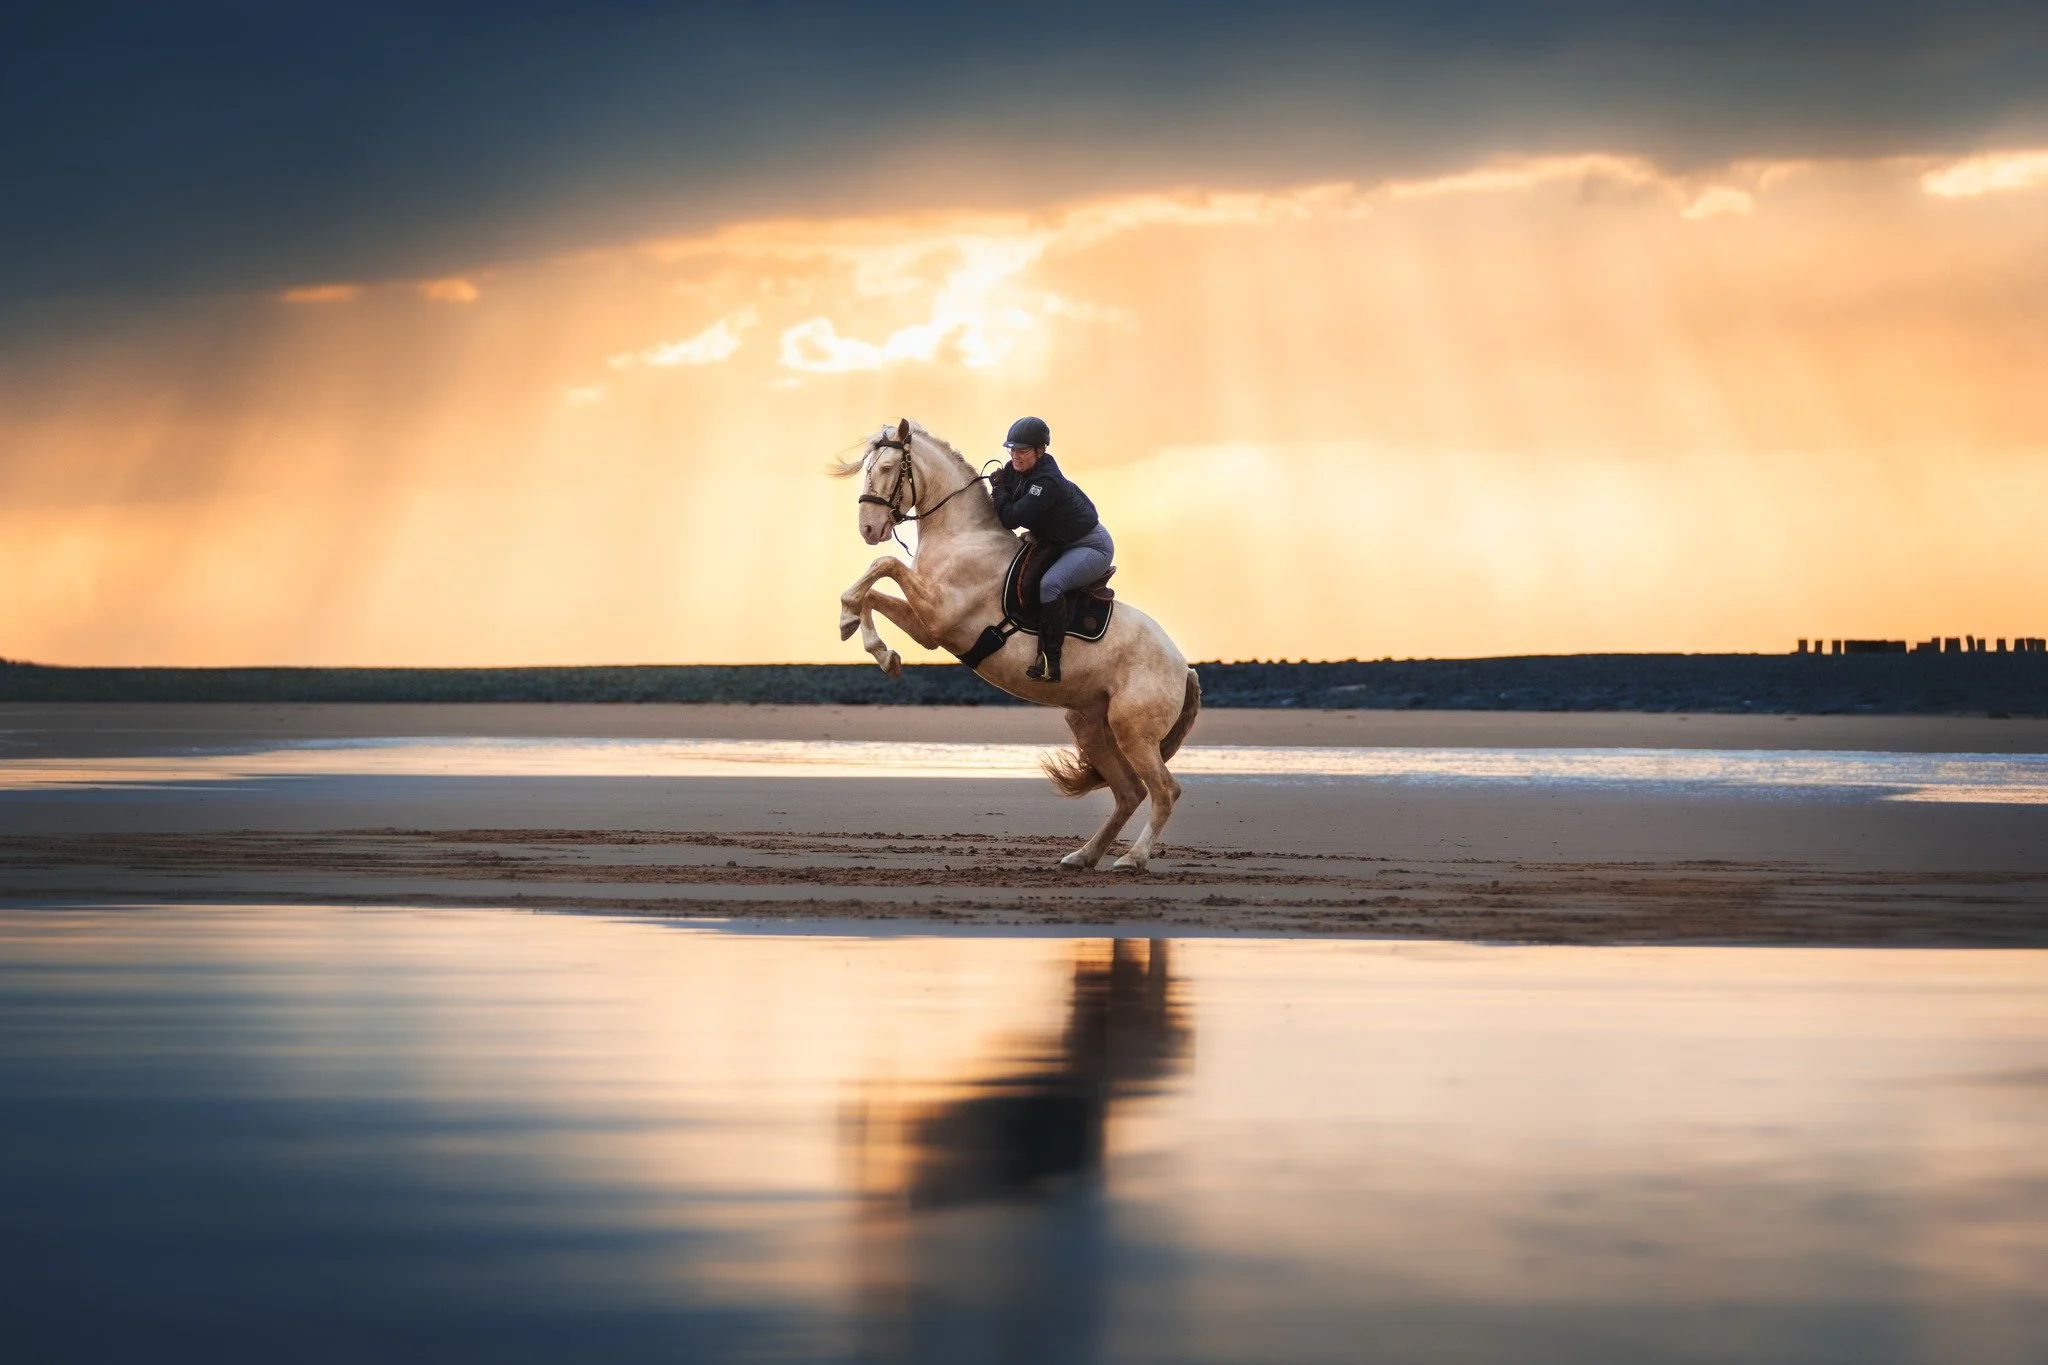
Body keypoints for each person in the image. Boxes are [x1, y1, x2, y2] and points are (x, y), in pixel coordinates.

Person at [988, 416, 1114, 682]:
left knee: (1050, 585)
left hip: (1091, 546)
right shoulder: (1019, 470)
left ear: (1040, 451)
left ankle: (1050, 662)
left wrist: (998, 489)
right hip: (1059, 541)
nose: (1015, 456)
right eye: (1012, 450)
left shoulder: (1046, 482)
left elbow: (1010, 518)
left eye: (1022, 450)